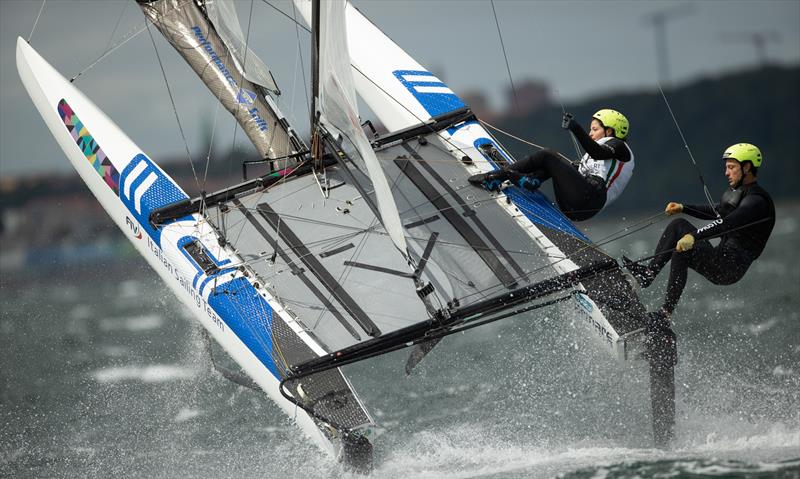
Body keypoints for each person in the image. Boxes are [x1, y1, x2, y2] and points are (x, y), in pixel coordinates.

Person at [623, 143, 775, 331]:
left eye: (731, 167)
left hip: (729, 267)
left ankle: (665, 314)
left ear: (747, 167)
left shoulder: (756, 202)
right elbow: (718, 212)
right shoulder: (740, 194)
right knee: (679, 226)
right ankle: (647, 275)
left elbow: (727, 223)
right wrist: (683, 207)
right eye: (726, 167)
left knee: (685, 244)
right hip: (721, 256)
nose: (727, 172)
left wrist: (693, 237)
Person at [468, 109, 634, 221]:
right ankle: (531, 180)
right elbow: (591, 162)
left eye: (595, 129)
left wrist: (576, 128)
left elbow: (598, 152)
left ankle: (496, 177)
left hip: (589, 199)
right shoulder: (603, 154)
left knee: (548, 155)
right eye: (590, 129)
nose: (590, 133)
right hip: (575, 208)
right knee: (553, 163)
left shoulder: (619, 146)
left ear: (610, 131)